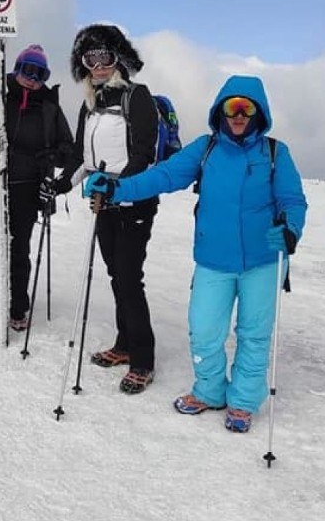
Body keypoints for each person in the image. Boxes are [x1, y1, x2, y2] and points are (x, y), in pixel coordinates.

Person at [83, 74, 307, 431]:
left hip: (263, 261)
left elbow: (292, 201)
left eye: (246, 108)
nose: (238, 115)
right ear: (220, 110)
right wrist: (117, 187)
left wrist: (290, 228)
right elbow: (164, 176)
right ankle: (209, 391)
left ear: (258, 113)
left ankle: (244, 401)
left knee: (254, 333)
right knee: (204, 330)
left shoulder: (275, 153)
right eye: (231, 107)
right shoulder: (206, 149)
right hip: (213, 261)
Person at [45, 23, 160, 395]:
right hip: (103, 202)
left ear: (118, 59)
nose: (97, 65)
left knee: (129, 278)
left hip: (133, 202)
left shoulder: (138, 97)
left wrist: (117, 187)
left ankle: (142, 359)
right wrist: (63, 184)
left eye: (104, 56)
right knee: (116, 276)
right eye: (89, 58)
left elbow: (144, 154)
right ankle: (124, 344)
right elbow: (83, 156)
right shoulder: (89, 104)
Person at [0, 45, 75, 331]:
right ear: (16, 69)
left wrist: (52, 157)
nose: (33, 78)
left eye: (40, 73)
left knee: (18, 249)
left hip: (26, 189)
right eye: (28, 70)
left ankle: (17, 305)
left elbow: (67, 147)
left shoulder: (48, 106)